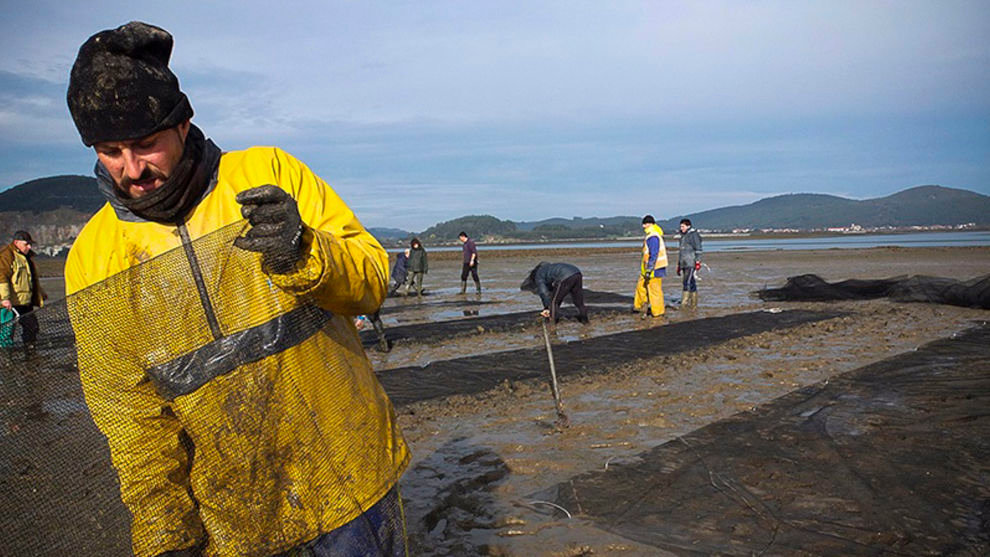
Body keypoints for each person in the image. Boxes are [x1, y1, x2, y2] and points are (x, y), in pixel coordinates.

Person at [62, 22, 408, 557]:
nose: (132, 170)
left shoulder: (269, 172)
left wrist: (305, 251)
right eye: (110, 151)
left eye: (145, 145)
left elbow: (371, 279)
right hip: (236, 519)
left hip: (348, 478)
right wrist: (164, 534)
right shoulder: (93, 258)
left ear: (183, 123)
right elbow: (129, 414)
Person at [0, 230, 46, 347]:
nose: (29, 247)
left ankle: (30, 352)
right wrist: (5, 299)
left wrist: (40, 294)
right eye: (26, 244)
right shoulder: (6, 256)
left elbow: (31, 280)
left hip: (26, 302)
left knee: (32, 328)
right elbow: (2, 278)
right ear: (16, 243)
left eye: (30, 244)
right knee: (7, 333)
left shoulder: (27, 258)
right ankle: (6, 357)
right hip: (10, 304)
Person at [520, 262, 589, 324]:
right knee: (578, 301)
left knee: (553, 302)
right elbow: (550, 288)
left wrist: (547, 307)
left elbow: (544, 293)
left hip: (565, 276)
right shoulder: (548, 268)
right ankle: (585, 320)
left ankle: (552, 323)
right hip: (577, 273)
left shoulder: (538, 276)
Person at [633, 215, 668, 318]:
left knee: (654, 291)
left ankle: (658, 312)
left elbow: (654, 254)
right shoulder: (651, 235)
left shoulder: (653, 236)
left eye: (645, 224)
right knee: (641, 287)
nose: (643, 226)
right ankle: (639, 307)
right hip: (647, 269)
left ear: (650, 224)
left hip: (655, 269)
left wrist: (649, 269)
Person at [676, 218, 703, 308]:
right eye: (680, 226)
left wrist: (698, 262)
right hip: (684, 262)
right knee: (691, 282)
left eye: (683, 226)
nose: (681, 228)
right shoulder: (682, 236)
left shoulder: (693, 235)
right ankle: (693, 303)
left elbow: (698, 249)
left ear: (688, 226)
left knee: (686, 282)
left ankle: (684, 303)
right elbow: (681, 252)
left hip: (691, 262)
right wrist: (679, 265)